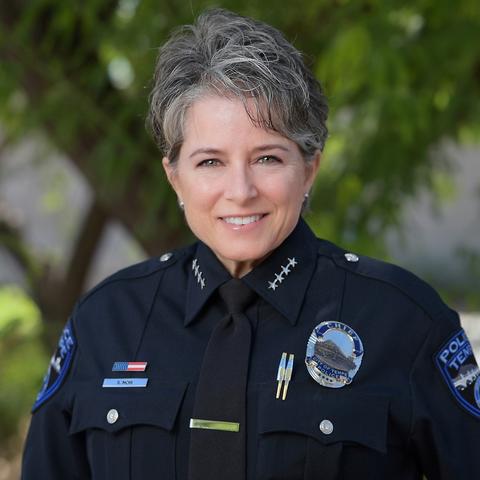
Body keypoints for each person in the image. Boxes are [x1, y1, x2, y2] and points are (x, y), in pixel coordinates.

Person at [22, 8, 480, 480]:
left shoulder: (404, 322)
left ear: (310, 169)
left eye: (266, 157)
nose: (240, 191)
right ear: (174, 178)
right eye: (209, 162)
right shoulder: (106, 320)